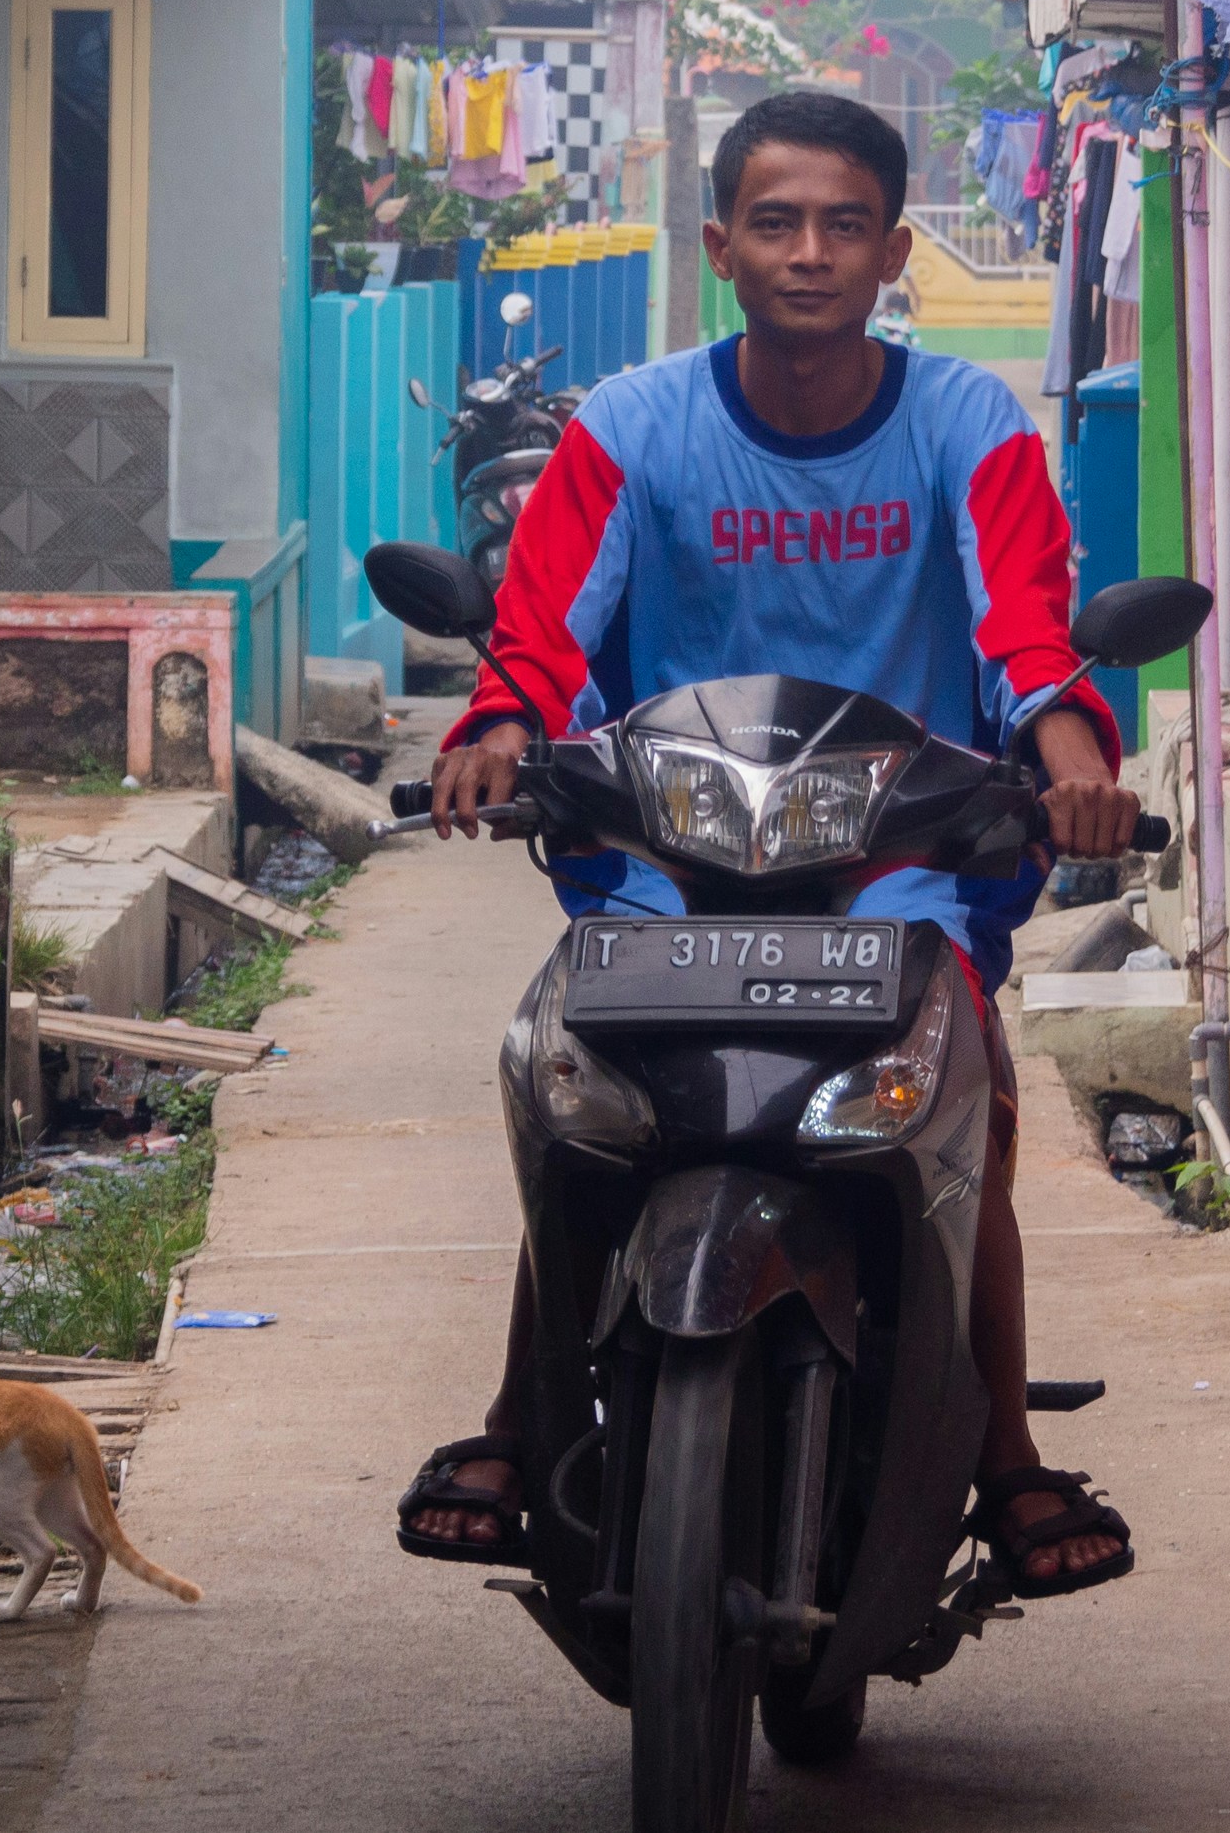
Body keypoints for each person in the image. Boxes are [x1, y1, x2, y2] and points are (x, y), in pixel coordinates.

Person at [397, 89, 1142, 1596]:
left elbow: (1024, 628)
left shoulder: (967, 423)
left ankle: (1000, 1446)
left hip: (902, 854)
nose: (812, 252)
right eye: (780, 222)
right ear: (721, 241)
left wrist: (1070, 763)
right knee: (580, 1103)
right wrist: (493, 732)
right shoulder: (630, 424)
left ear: (894, 250)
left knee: (967, 1116)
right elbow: (544, 625)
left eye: (845, 223)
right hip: (668, 851)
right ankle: (516, 1411)